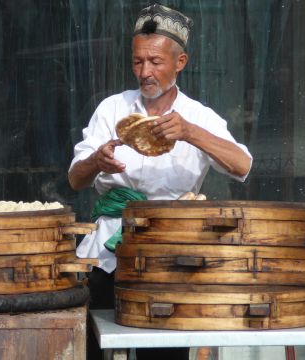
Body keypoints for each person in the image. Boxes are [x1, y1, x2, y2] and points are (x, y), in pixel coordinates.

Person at [68, 3, 252, 359]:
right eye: (138, 61)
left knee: (163, 351)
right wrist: (95, 160)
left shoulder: (198, 116)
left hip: (171, 257)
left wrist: (190, 132)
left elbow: (242, 164)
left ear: (180, 63)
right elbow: (76, 180)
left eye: (156, 62)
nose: (145, 71)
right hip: (108, 253)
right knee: (93, 344)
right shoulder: (112, 110)